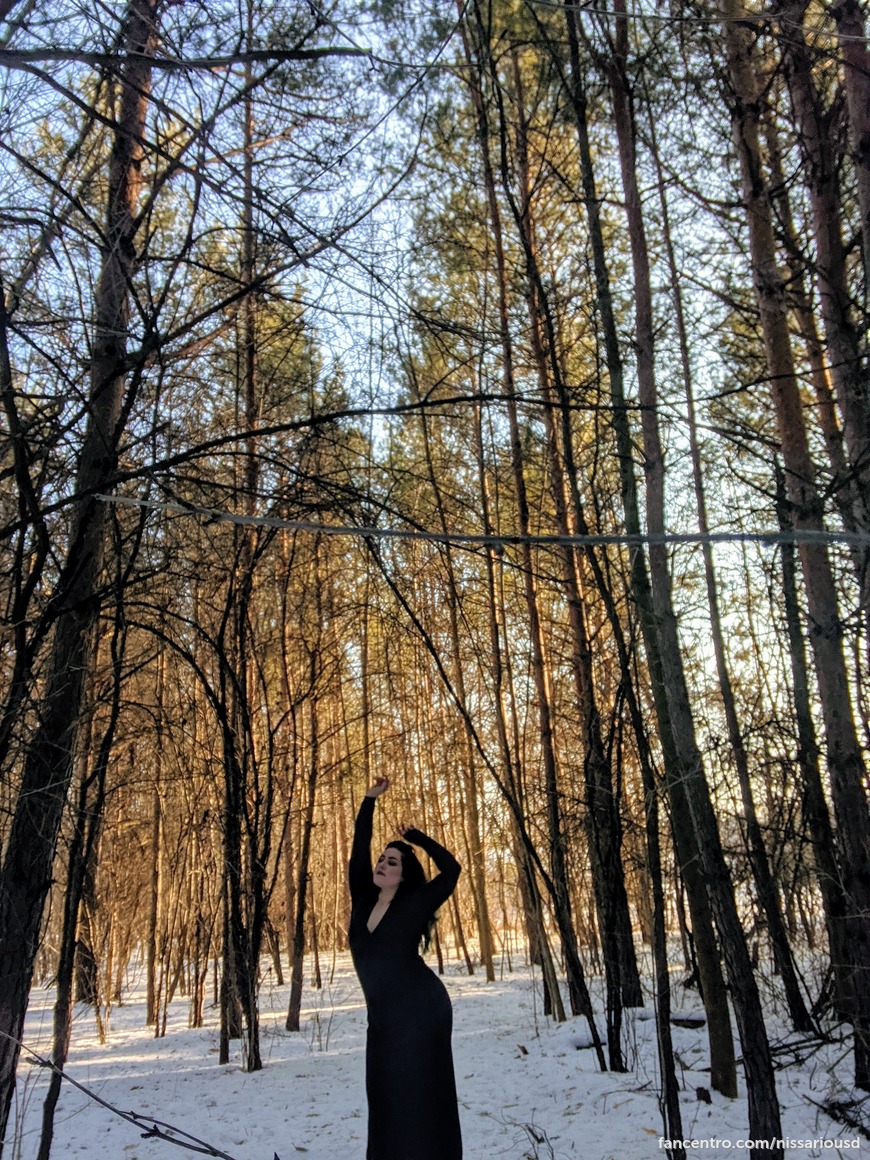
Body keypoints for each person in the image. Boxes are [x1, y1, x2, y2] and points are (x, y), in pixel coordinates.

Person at [348, 775, 462, 1160]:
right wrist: (369, 801)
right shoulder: (363, 898)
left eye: (391, 861)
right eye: (382, 859)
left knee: (419, 1099)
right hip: (382, 1019)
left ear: (404, 872)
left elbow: (452, 871)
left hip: (421, 1012)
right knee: (384, 1098)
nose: (382, 863)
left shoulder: (415, 903)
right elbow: (359, 846)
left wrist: (418, 838)